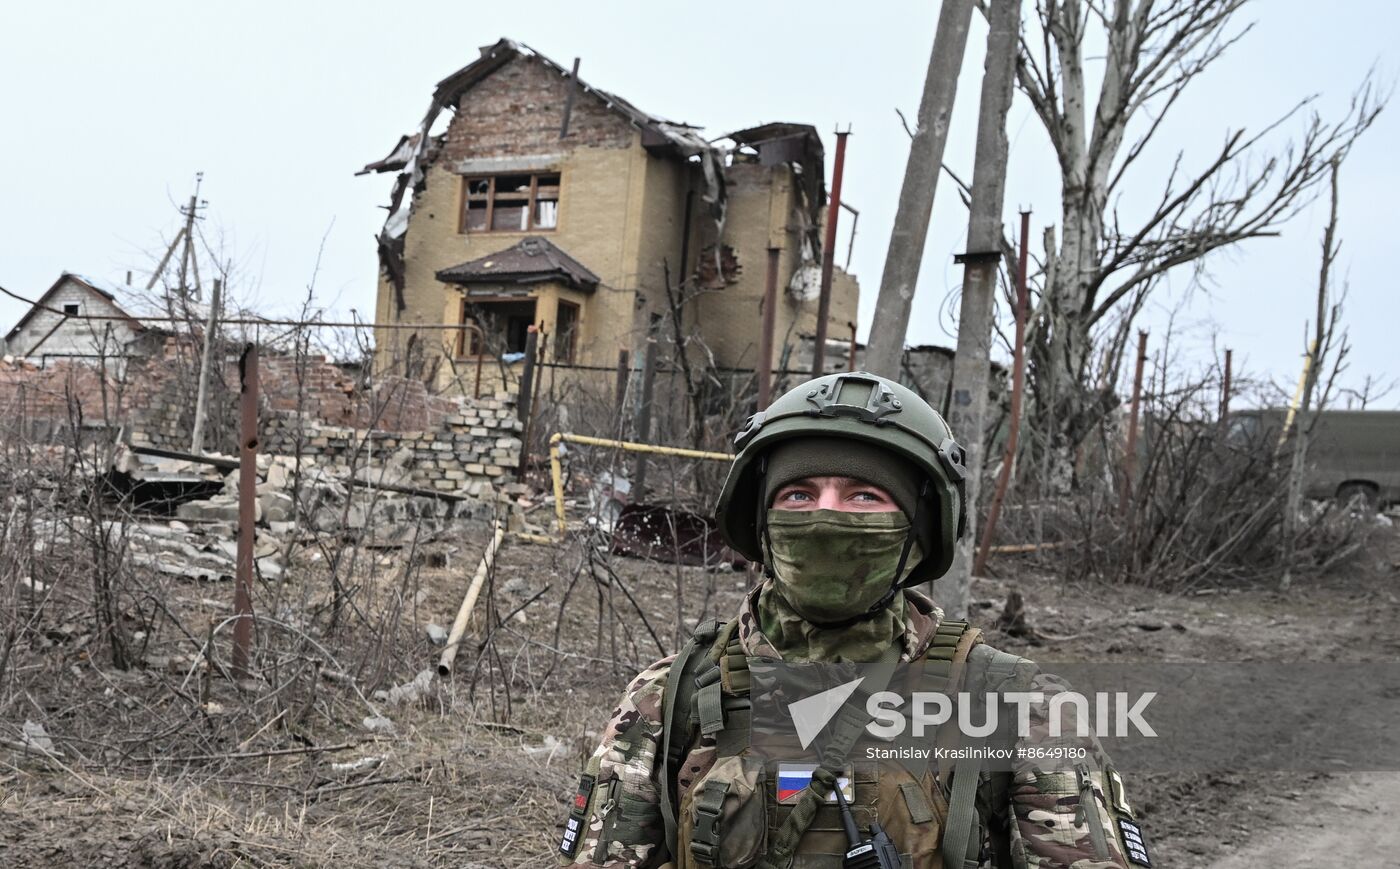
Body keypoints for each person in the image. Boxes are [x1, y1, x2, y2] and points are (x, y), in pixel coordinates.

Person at [557, 372, 1146, 869]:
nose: (825, 517)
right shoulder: (669, 698)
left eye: (865, 496)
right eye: (798, 494)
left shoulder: (1020, 708)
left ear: (919, 532)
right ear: (761, 522)